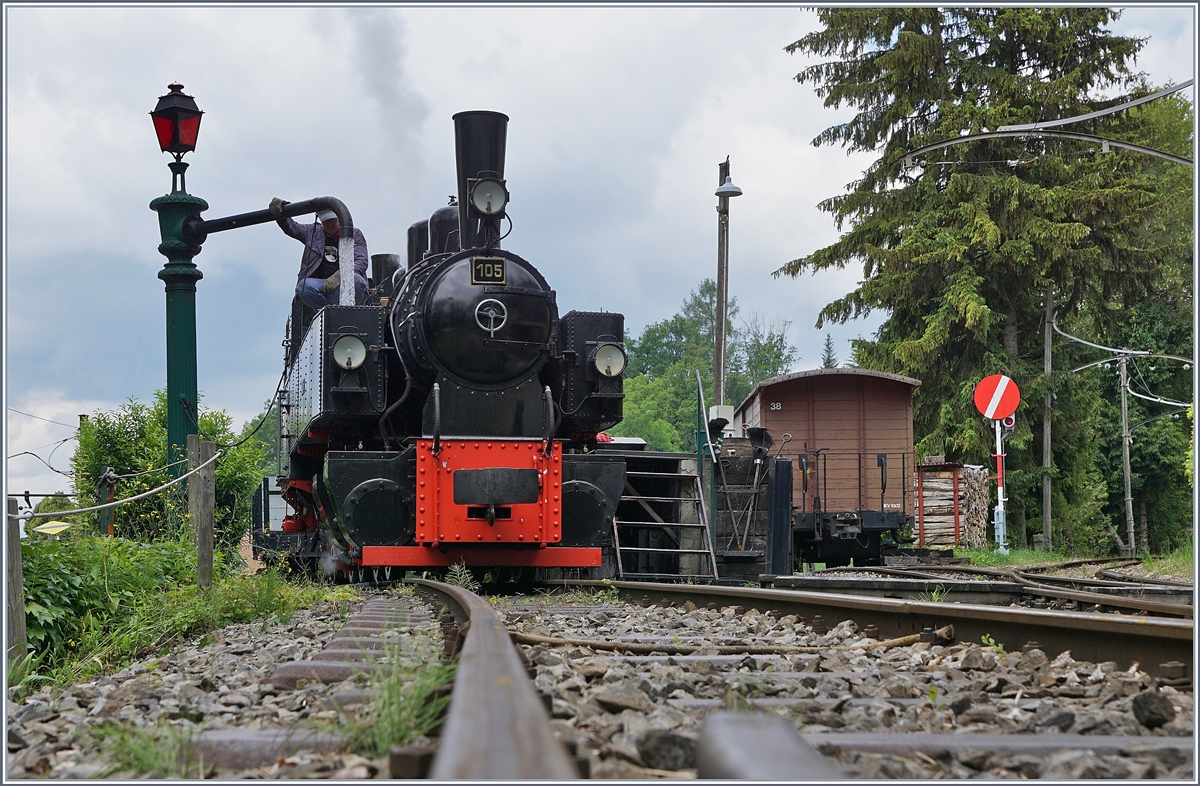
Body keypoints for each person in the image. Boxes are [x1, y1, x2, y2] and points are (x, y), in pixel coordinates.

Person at [269, 198, 369, 309]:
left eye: (333, 220)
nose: (330, 224)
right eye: (326, 221)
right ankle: (329, 311)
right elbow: (292, 228)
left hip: (344, 284)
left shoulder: (355, 234)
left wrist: (341, 275)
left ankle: (348, 310)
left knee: (358, 280)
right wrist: (281, 215)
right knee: (303, 287)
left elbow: (362, 260)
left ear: (339, 218)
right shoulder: (312, 232)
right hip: (321, 287)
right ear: (320, 221)